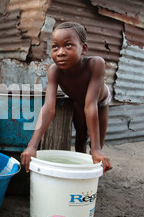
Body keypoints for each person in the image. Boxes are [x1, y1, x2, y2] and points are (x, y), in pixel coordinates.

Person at [20, 22, 113, 173]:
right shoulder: (54, 71)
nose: (60, 52)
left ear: (84, 49)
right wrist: (32, 146)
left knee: (97, 145)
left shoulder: (96, 64)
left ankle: (93, 171)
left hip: (99, 102)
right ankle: (79, 172)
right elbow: (49, 108)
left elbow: (91, 106)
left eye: (68, 46)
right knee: (80, 137)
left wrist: (96, 149)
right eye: (55, 47)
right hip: (77, 100)